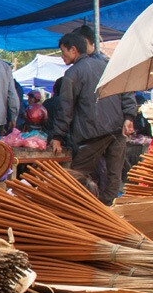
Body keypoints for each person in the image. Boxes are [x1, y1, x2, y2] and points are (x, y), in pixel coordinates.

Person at [48, 32, 136, 205]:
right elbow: (126, 90)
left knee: (77, 173)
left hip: (93, 131)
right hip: (118, 127)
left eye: (63, 51)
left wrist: (57, 136)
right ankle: (109, 208)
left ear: (73, 50)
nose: (62, 56)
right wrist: (129, 116)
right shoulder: (107, 65)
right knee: (114, 173)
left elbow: (66, 109)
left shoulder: (72, 74)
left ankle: (78, 209)